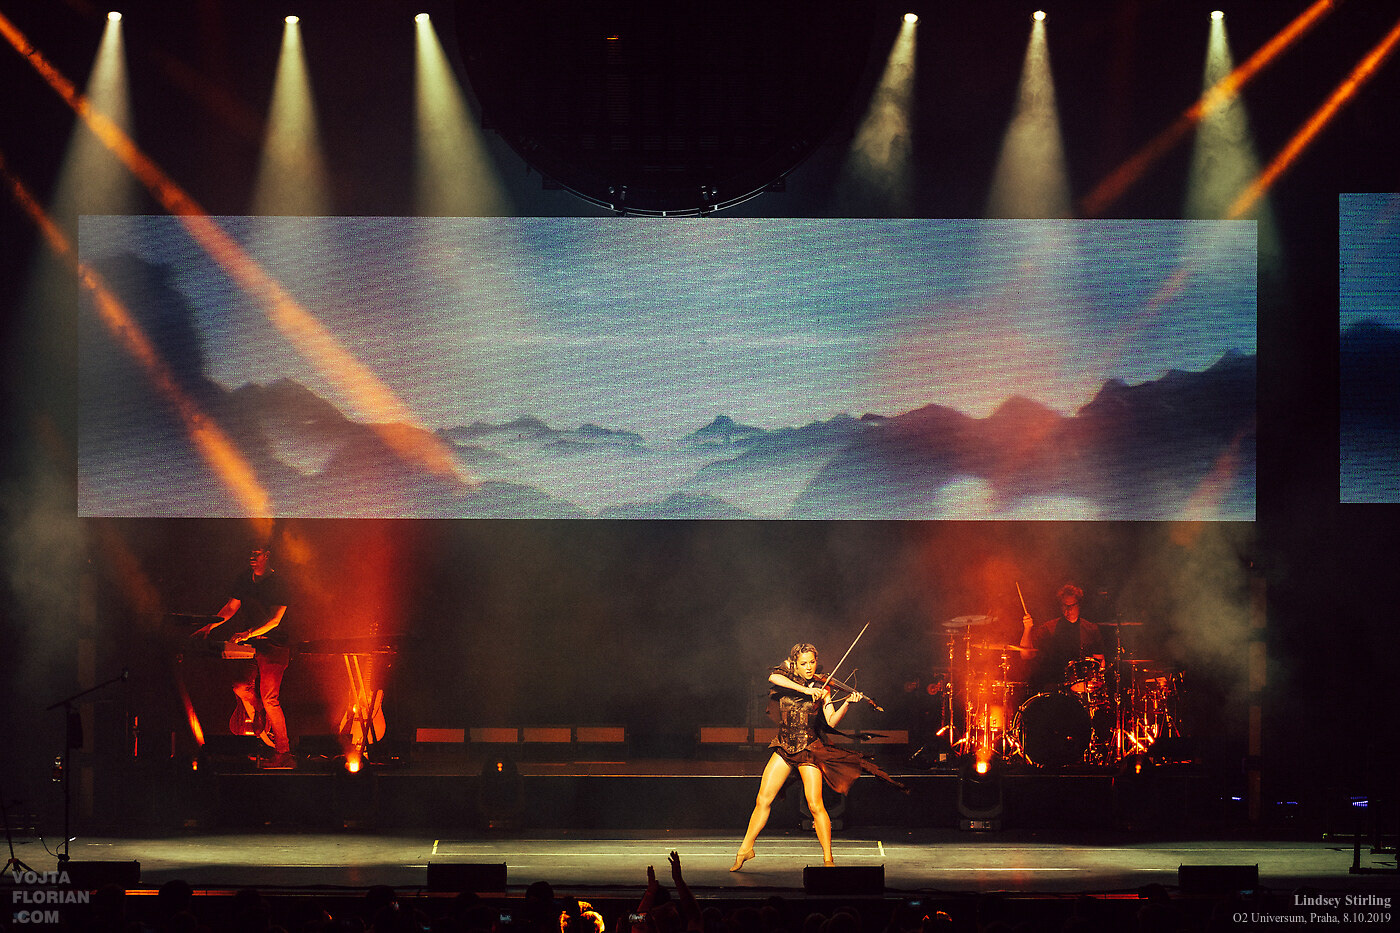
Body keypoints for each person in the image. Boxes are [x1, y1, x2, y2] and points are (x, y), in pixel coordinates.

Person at [731, 643, 907, 871]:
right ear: (794, 664)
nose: (809, 667)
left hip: (808, 748)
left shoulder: (822, 688)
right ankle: (746, 849)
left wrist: (846, 703)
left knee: (815, 805)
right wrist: (805, 691)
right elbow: (773, 677)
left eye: (812, 662)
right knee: (763, 799)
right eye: (803, 663)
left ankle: (828, 859)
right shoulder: (785, 679)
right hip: (784, 745)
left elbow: (831, 721)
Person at [193, 545, 294, 768]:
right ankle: (260, 710)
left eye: (256, 553)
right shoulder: (244, 579)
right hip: (252, 645)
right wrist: (209, 626)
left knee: (270, 699)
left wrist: (247, 633)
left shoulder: (278, 583)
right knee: (239, 686)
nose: (251, 557)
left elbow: (275, 620)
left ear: (267, 555)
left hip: (275, 645)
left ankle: (284, 753)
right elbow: (231, 606)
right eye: (249, 553)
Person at [1018, 583, 1105, 693]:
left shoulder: (1091, 629)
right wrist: (1027, 629)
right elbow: (1026, 655)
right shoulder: (1048, 629)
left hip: (1083, 688)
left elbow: (1099, 663)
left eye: (1071, 605)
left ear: (1079, 605)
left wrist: (1095, 681)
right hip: (1054, 687)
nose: (1068, 610)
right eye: (1065, 606)